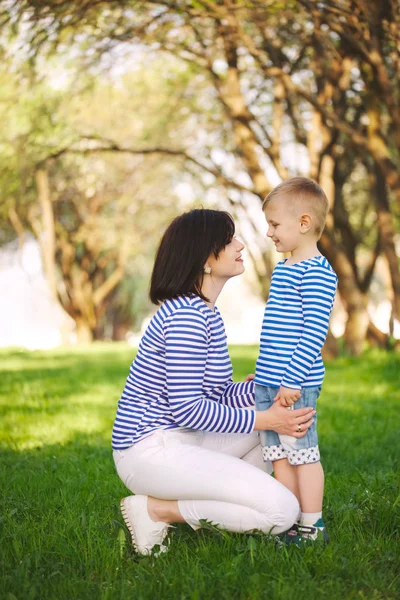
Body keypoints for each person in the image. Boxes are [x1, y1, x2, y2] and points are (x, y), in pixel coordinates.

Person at [112, 208, 316, 555]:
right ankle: (157, 510)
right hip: (151, 450)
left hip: (186, 440)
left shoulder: (204, 311)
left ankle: (201, 495)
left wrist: (258, 389)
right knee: (281, 512)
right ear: (204, 257)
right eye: (228, 240)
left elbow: (215, 394)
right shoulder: (187, 317)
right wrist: (264, 416)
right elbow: (189, 409)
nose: (240, 245)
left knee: (281, 420)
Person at [254, 177, 338, 545]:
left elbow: (312, 334)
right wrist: (264, 376)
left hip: (295, 384)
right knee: (279, 457)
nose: (269, 232)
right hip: (269, 383)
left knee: (302, 455)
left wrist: (291, 381)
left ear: (304, 223)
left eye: (275, 224)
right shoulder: (285, 269)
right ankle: (288, 520)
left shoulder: (318, 273)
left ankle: (312, 523)